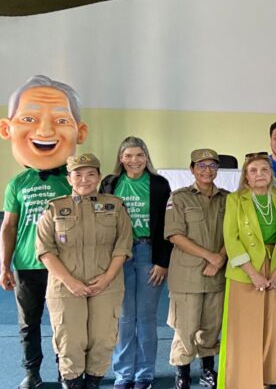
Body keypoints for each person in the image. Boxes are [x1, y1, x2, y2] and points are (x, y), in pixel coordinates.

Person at [0, 75, 88, 388]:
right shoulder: (17, 184)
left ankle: (67, 372)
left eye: (60, 120)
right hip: (27, 265)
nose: (45, 131)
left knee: (65, 324)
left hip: (65, 267)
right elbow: (9, 226)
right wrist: (5, 264)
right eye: (30, 118)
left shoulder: (72, 181)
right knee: (29, 324)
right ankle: (32, 374)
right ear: (8, 128)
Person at [36, 153, 133, 389]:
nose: (84, 180)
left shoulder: (115, 206)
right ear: (69, 179)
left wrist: (107, 277)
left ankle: (93, 383)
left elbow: (123, 244)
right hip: (65, 286)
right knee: (71, 340)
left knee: (103, 338)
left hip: (106, 284)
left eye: (91, 174)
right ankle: (72, 382)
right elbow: (45, 250)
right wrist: (70, 282)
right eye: (78, 175)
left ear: (99, 177)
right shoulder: (55, 209)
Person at [101, 137, 172, 389]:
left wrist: (163, 262)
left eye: (139, 155)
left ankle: (144, 374)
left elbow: (166, 225)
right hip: (118, 256)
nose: (134, 161)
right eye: (128, 156)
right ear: (121, 158)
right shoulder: (109, 184)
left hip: (148, 253)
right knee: (124, 317)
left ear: (147, 157)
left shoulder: (159, 184)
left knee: (146, 316)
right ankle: (123, 374)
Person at [218, 153, 276, 389]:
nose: (259, 174)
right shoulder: (235, 199)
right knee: (245, 326)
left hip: (275, 267)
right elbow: (231, 238)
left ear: (271, 174)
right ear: (246, 176)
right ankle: (243, 380)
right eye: (253, 170)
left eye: (264, 169)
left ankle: (268, 375)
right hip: (246, 268)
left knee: (272, 324)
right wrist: (252, 273)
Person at [164, 149, 229, 389]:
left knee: (211, 326)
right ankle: (182, 373)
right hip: (187, 275)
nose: (207, 170)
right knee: (185, 326)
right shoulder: (179, 198)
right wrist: (210, 256)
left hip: (217, 275)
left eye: (212, 166)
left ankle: (207, 370)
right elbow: (174, 235)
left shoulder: (227, 198)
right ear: (192, 169)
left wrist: (220, 258)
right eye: (201, 166)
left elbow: (233, 232)